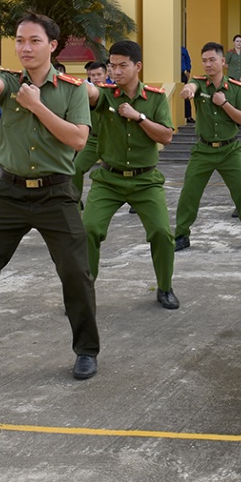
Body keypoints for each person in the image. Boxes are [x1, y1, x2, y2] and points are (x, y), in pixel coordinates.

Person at [0, 12, 100, 384]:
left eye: (34, 41)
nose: (25, 48)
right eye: (20, 40)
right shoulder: (10, 83)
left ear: (53, 46)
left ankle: (86, 351)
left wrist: (37, 106)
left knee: (76, 273)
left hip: (56, 192)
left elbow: (77, 139)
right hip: (8, 193)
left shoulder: (72, 89)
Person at [81, 40, 180, 310]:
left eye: (122, 65)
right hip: (109, 179)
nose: (116, 71)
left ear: (137, 66)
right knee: (88, 229)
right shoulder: (106, 95)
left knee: (161, 232)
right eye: (112, 65)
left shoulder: (156, 98)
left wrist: (139, 117)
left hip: (145, 180)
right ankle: (84, 290)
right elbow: (91, 94)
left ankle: (165, 287)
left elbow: (167, 136)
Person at [173, 41, 241, 252]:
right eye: (204, 61)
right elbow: (191, 86)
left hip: (230, 151)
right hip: (203, 150)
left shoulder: (236, 89)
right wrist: (187, 90)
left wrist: (223, 103)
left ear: (223, 61)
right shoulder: (199, 83)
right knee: (189, 194)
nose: (208, 64)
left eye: (212, 60)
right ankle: (182, 235)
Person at [71, 61, 110, 201]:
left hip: (112, 140)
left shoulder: (114, 91)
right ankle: (75, 201)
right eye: (93, 75)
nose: (96, 77)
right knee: (75, 169)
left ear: (107, 74)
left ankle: (135, 201)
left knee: (125, 171)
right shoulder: (85, 93)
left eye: (99, 74)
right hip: (92, 140)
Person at [180, 44, 194, 124]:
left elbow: (188, 60)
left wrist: (188, 71)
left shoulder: (183, 50)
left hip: (182, 74)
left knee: (186, 96)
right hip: (172, 73)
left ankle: (188, 116)